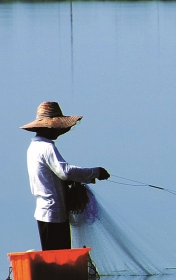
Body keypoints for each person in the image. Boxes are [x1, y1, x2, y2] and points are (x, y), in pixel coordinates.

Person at [22, 102, 110, 251]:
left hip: (46, 211)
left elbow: (55, 175)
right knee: (58, 258)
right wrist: (96, 172)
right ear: (50, 127)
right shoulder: (46, 147)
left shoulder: (34, 147)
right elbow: (65, 172)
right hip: (53, 212)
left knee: (54, 258)